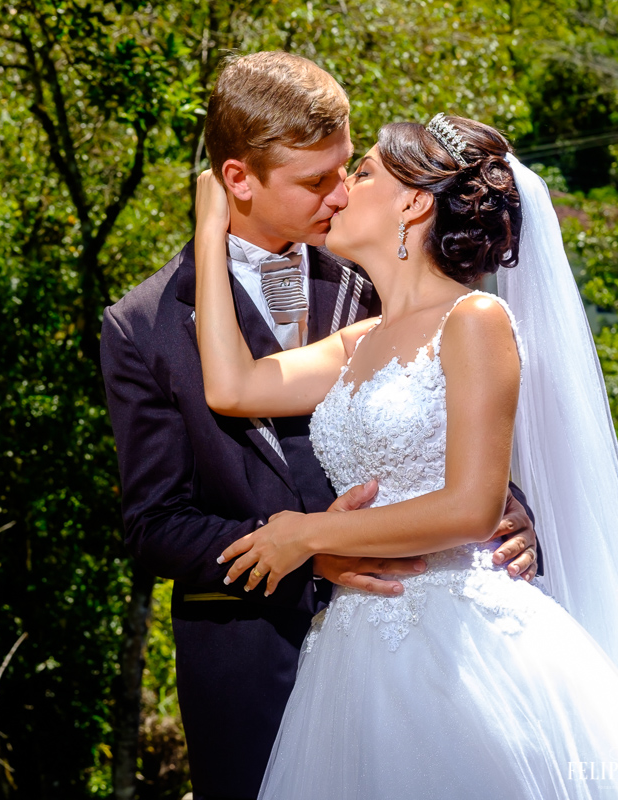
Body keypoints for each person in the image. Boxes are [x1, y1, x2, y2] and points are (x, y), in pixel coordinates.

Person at [193, 112, 618, 798]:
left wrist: (307, 533)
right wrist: (209, 234)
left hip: (465, 646)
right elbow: (231, 386)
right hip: (357, 651)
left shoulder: (475, 321)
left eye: (364, 171)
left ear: (413, 202)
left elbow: (472, 507)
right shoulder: (357, 343)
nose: (342, 189)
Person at [100, 51, 539, 800]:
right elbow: (156, 524)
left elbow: (451, 422)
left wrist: (511, 506)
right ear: (238, 180)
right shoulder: (140, 327)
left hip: (435, 644)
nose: (340, 196)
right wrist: (308, 547)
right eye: (316, 181)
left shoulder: (385, 272)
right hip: (249, 662)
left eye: (350, 170)